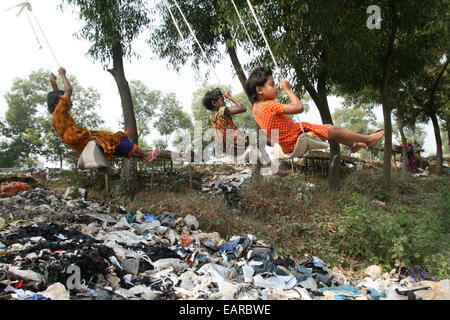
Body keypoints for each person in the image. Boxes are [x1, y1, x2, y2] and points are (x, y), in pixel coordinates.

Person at [245, 66, 384, 155]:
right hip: (296, 138)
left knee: (329, 131)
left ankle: (353, 144)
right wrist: (288, 90)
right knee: (334, 129)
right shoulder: (268, 106)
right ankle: (368, 139)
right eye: (272, 84)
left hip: (289, 142)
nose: (276, 87)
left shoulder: (256, 108)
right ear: (259, 90)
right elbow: (299, 108)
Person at [48, 67, 160, 163]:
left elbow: (58, 97)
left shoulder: (56, 116)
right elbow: (68, 90)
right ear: (59, 102)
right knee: (114, 139)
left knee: (111, 147)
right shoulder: (60, 110)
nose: (68, 102)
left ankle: (142, 156)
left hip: (77, 142)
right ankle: (144, 154)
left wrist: (53, 84)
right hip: (80, 137)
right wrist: (63, 74)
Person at [202, 88, 249, 155]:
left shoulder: (210, 118)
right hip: (238, 142)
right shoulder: (222, 110)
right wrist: (229, 97)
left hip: (228, 148)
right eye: (222, 100)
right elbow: (243, 108)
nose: (225, 103)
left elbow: (217, 135)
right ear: (214, 103)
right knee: (256, 139)